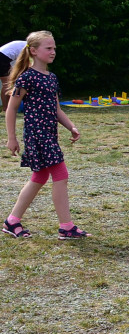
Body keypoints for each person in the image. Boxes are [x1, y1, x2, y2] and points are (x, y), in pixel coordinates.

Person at [3, 31, 87, 239]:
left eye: (54, 48)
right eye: (48, 48)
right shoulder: (27, 78)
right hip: (37, 136)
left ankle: (12, 221)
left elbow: (56, 109)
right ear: (33, 51)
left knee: (39, 177)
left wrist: (71, 127)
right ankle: (66, 226)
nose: (53, 52)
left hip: (49, 134)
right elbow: (11, 109)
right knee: (61, 175)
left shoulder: (51, 78)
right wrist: (11, 138)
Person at [1, 39, 27, 113]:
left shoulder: (27, 45)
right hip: (2, 58)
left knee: (10, 84)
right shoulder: (29, 47)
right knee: (7, 84)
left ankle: (8, 107)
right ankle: (5, 109)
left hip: (5, 58)